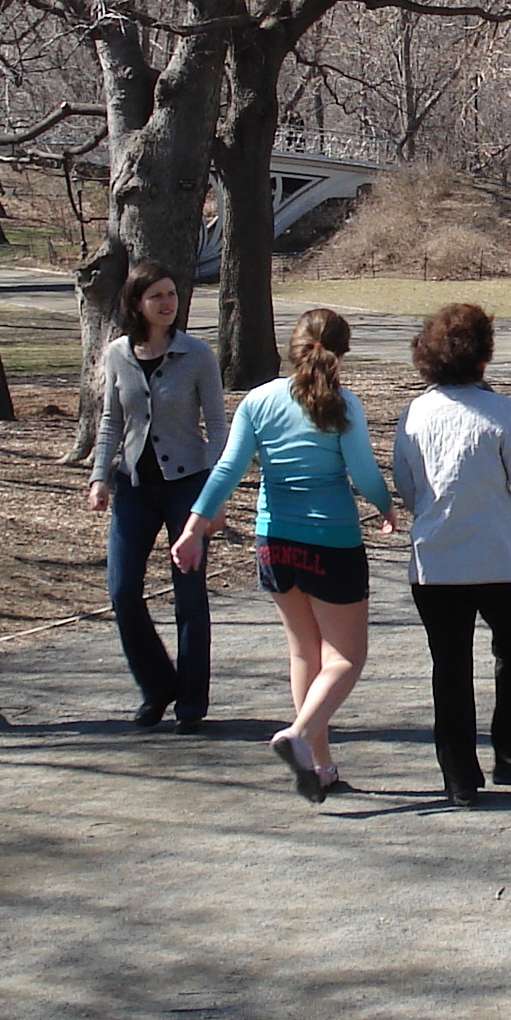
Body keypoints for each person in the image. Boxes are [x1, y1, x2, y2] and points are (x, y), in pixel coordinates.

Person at [172, 309, 394, 803]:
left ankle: (319, 765)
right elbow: (363, 473)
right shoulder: (344, 406)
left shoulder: (258, 400)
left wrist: (193, 528)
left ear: (290, 348)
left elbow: (227, 468)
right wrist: (387, 506)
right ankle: (298, 736)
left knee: (303, 652)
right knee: (346, 657)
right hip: (331, 542)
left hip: (275, 543)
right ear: (344, 353)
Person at [392, 302, 511, 808]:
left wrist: (432, 512)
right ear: (482, 357)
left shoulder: (414, 414)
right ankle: (510, 755)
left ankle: (458, 777)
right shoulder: (504, 413)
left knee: (449, 667)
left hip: (436, 561)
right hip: (501, 559)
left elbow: (407, 486)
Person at [87, 262, 229, 731]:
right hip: (133, 486)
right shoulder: (117, 355)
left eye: (172, 294)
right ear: (137, 304)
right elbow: (111, 419)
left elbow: (217, 429)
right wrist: (99, 478)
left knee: (189, 595)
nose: (167, 304)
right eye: (157, 297)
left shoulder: (197, 354)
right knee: (123, 591)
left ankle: (191, 703)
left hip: (187, 486)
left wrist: (215, 496)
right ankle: (156, 687)